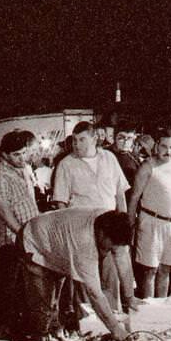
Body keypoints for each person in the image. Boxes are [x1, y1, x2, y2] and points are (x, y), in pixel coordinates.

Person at [51, 121, 133, 313]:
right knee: (87, 284)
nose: (76, 145)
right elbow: (61, 204)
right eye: (74, 140)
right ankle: (88, 326)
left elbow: (119, 193)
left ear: (95, 139)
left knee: (111, 279)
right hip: (83, 234)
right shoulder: (66, 165)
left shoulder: (110, 158)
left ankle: (115, 318)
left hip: (111, 230)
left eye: (82, 140)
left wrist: (124, 224)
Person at [19, 208, 133, 341]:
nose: (113, 249)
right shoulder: (84, 244)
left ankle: (53, 335)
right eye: (112, 244)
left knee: (54, 304)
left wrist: (129, 296)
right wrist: (115, 329)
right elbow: (95, 295)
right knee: (43, 307)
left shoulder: (110, 221)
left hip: (55, 243)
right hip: (33, 242)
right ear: (102, 234)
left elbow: (122, 260)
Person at [0, 130, 40, 337]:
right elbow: (4, 211)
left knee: (24, 293)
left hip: (24, 239)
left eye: (24, 153)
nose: (22, 158)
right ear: (5, 155)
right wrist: (23, 234)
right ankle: (7, 337)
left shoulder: (22, 169)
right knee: (8, 294)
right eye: (16, 155)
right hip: (7, 245)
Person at [127, 128, 171, 298]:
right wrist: (131, 224)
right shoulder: (147, 167)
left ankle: (161, 311)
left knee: (165, 270)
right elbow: (134, 198)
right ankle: (149, 311)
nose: (167, 151)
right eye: (163, 146)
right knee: (150, 271)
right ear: (156, 146)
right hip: (151, 224)